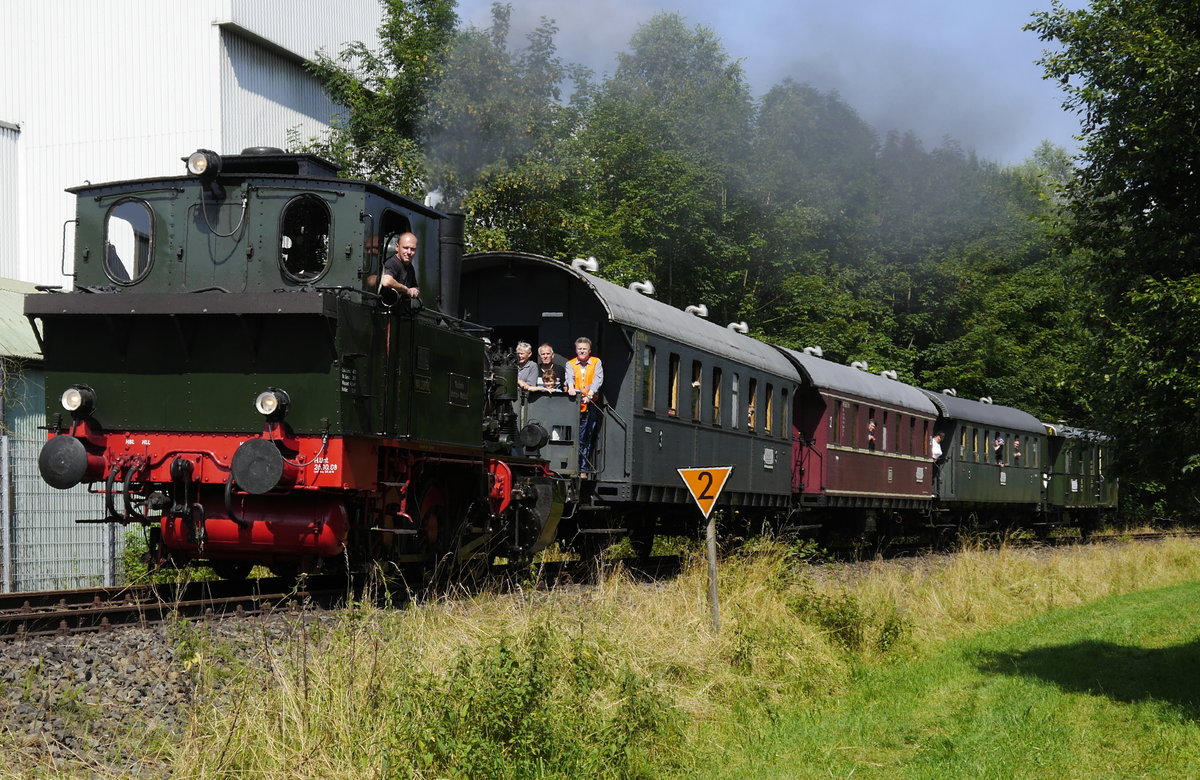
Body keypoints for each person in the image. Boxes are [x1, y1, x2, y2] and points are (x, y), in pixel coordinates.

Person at [566, 337, 603, 474]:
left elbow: (597, 379)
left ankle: (582, 468)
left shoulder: (596, 362)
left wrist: (590, 394)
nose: (582, 351)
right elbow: (569, 378)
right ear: (576, 350)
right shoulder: (570, 364)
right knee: (574, 436)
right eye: (579, 348)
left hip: (590, 403)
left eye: (584, 349)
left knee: (586, 437)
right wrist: (570, 388)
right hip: (574, 404)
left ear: (589, 350)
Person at [380, 232, 420, 299]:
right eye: (405, 248)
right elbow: (387, 281)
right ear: (397, 247)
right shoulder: (392, 263)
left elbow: (414, 286)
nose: (409, 252)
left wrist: (415, 290)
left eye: (412, 249)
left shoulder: (410, 267)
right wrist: (406, 290)